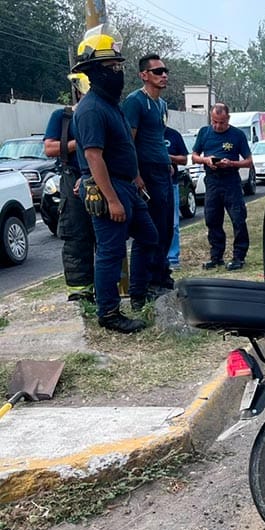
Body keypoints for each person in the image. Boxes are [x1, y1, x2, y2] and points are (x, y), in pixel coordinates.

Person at [71, 25, 159, 334]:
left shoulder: (111, 106)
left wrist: (135, 178)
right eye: (110, 67)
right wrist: (111, 199)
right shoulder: (91, 109)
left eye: (118, 66)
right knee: (110, 252)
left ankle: (138, 294)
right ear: (94, 72)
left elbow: (121, 148)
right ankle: (108, 313)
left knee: (149, 237)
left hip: (127, 185)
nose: (117, 72)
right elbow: (94, 157)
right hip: (110, 189)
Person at [122, 53, 174, 304]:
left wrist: (168, 164)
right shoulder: (135, 102)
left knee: (166, 229)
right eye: (157, 71)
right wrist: (136, 174)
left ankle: (162, 275)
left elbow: (158, 137)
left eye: (165, 71)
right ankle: (144, 286)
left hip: (163, 170)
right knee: (149, 232)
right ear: (144, 75)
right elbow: (128, 142)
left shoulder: (162, 105)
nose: (163, 75)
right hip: (146, 173)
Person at [43, 72, 95, 303]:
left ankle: (112, 284)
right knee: (76, 235)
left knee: (108, 236)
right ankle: (81, 290)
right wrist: (82, 141)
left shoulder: (106, 113)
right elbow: (51, 148)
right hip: (70, 175)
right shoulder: (62, 117)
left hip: (100, 175)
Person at [191, 103, 253, 271]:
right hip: (212, 181)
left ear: (228, 119)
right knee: (212, 219)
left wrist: (231, 163)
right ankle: (216, 256)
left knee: (238, 219)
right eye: (215, 122)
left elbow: (249, 161)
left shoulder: (237, 135)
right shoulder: (204, 133)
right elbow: (194, 156)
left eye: (222, 122)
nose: (218, 126)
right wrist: (206, 160)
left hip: (231, 181)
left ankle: (239, 256)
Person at [164, 122, 187, 270]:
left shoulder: (173, 134)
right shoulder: (145, 133)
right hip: (150, 184)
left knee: (173, 223)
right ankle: (158, 258)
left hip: (171, 183)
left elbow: (184, 159)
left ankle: (172, 258)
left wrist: (168, 157)